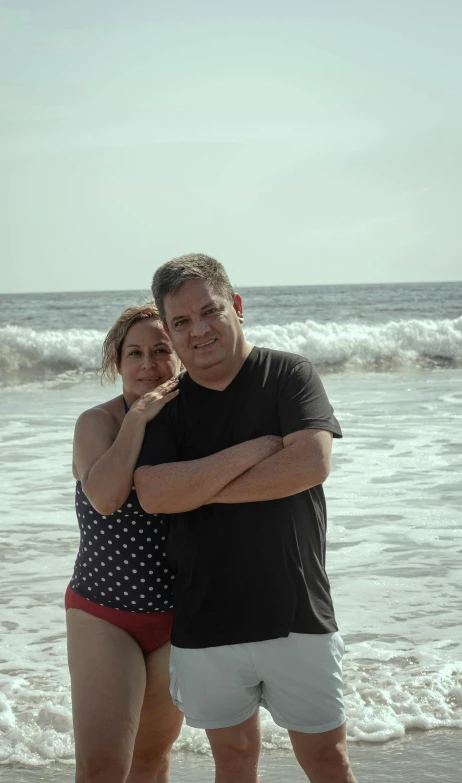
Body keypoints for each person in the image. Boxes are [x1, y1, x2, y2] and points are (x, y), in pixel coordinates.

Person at [134, 254, 358, 783]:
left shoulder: (289, 374)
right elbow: (155, 493)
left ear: (235, 306)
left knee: (328, 761)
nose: (199, 330)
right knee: (233, 761)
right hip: (206, 617)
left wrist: (199, 487)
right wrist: (255, 450)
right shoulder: (165, 404)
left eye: (209, 312)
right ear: (168, 330)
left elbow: (309, 464)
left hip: (296, 610)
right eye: (182, 322)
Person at [66, 303, 184, 783]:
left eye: (160, 350)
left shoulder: (199, 423)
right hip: (103, 611)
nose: (147, 364)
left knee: (151, 763)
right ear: (118, 364)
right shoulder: (96, 424)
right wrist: (136, 420)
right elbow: (106, 497)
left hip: (180, 618)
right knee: (101, 770)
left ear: (179, 355)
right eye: (133, 353)